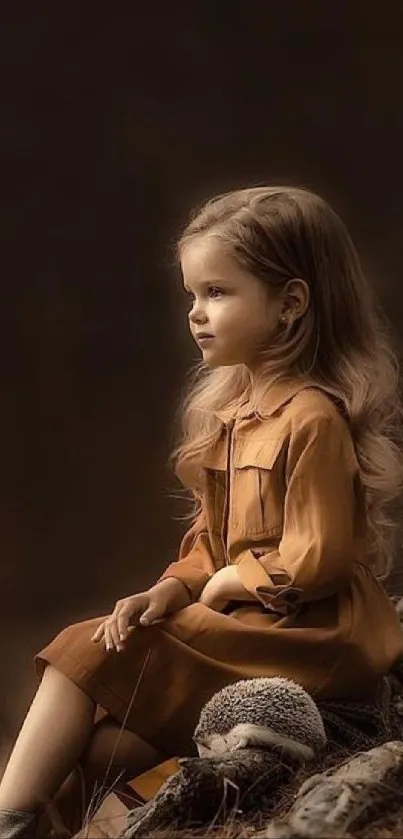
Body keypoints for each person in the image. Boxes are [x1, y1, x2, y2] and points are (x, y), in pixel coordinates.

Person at [1, 184, 403, 838]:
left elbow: (319, 556)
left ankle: (5, 818)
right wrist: (170, 587)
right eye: (191, 294)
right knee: (102, 746)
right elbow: (206, 541)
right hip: (245, 617)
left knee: (77, 648)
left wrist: (227, 582)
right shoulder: (229, 414)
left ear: (289, 303)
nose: (195, 312)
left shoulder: (310, 418)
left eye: (217, 292)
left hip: (312, 629)